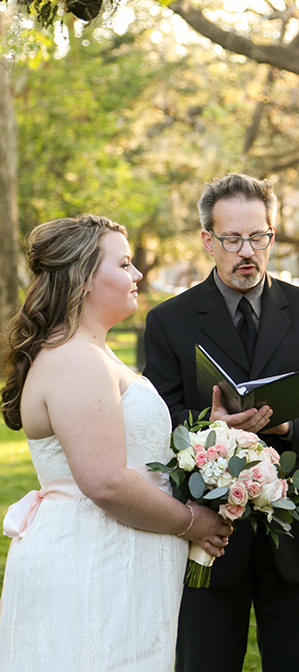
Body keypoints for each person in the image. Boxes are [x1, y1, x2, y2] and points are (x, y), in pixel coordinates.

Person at [143, 173, 299, 672]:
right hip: (210, 534)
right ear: (208, 241)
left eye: (259, 236)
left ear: (272, 235)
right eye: (233, 239)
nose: (248, 251)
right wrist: (210, 428)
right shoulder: (169, 321)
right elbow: (159, 416)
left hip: (297, 533)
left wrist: (286, 428)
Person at [0, 214, 232, 672]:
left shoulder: (92, 350)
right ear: (84, 278)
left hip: (118, 560)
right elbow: (104, 481)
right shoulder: (73, 358)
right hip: (92, 564)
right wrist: (190, 521)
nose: (138, 274)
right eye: (124, 264)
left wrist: (217, 435)